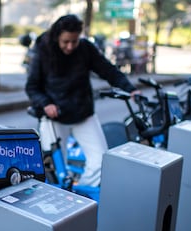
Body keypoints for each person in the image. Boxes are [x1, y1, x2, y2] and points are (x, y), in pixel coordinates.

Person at [25, 14, 140, 187]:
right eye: (66, 42)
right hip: (54, 117)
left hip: (82, 112)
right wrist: (46, 103)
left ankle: (81, 197)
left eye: (74, 41)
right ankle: (57, 201)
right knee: (54, 169)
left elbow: (108, 71)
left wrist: (130, 88)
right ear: (57, 36)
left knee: (101, 160)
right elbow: (32, 87)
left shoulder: (86, 48)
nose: (70, 46)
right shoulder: (43, 51)